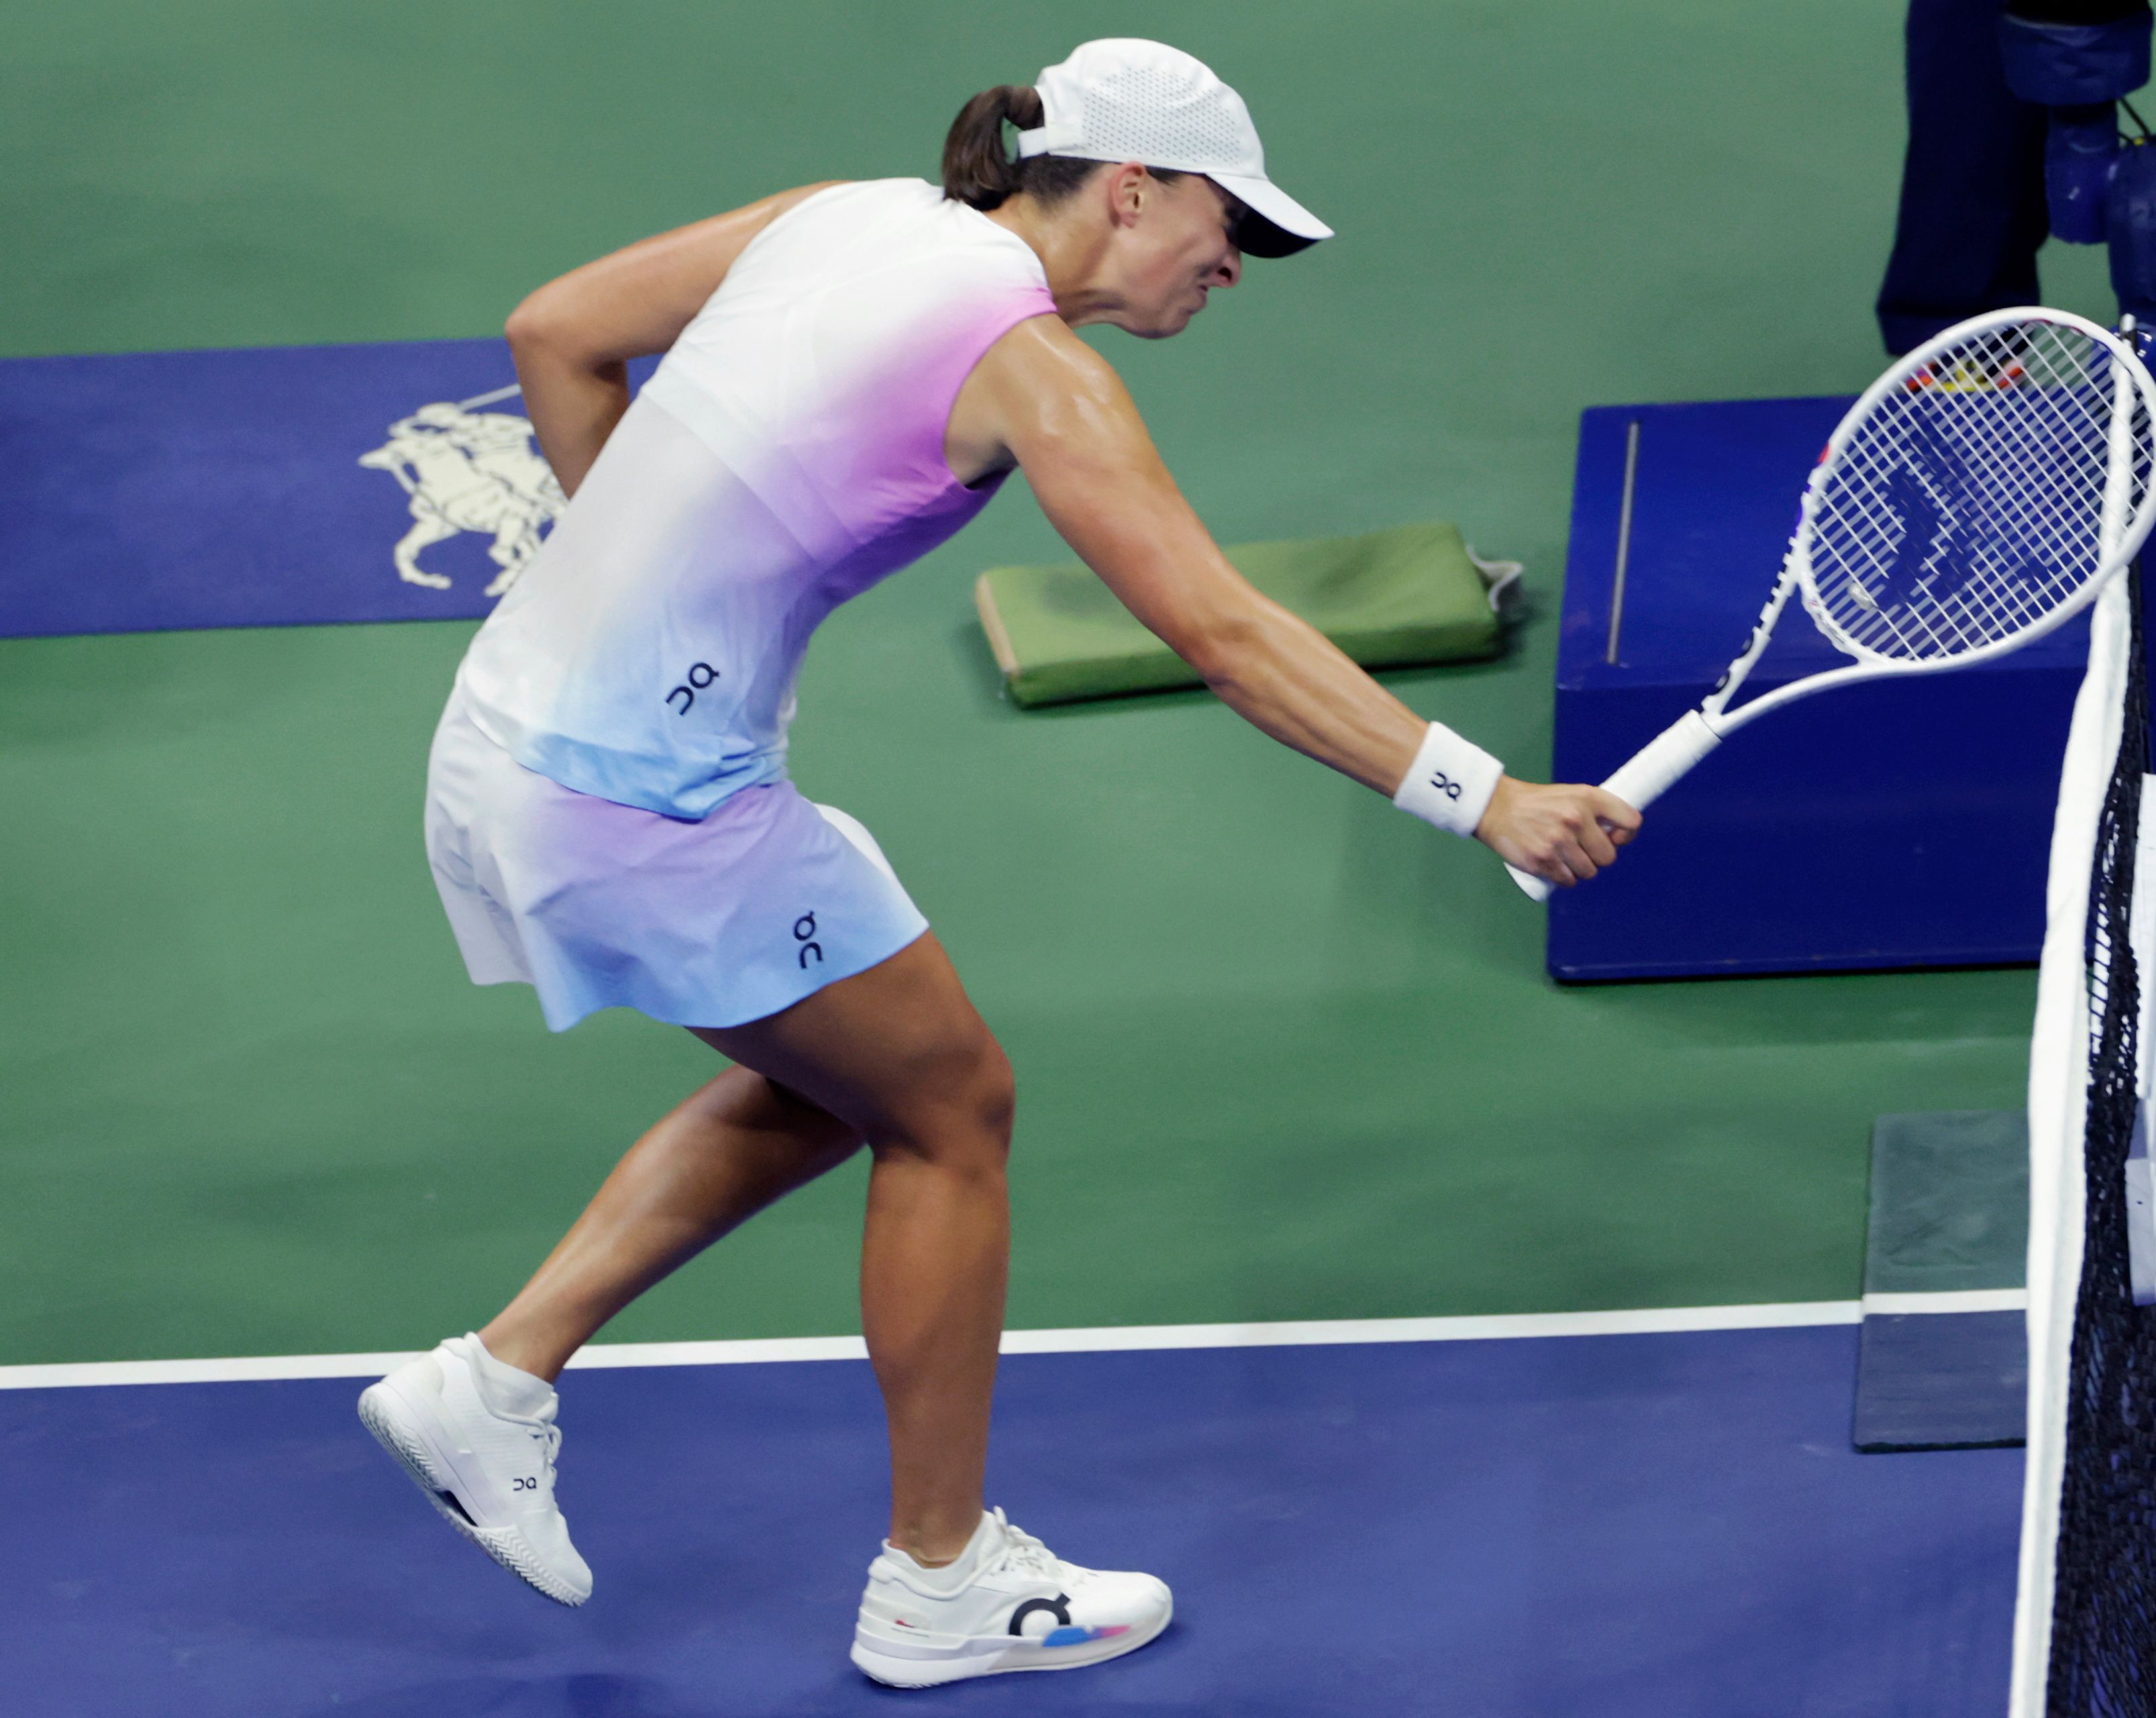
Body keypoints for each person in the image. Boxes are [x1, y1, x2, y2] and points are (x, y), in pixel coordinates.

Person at [356, 37, 1639, 1689]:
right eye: (1222, 218)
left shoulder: (843, 213)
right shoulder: (1034, 368)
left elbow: (557, 329)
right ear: (1128, 186)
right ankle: (939, 1582)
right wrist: (1488, 796)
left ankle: (500, 1376)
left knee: (857, 1078)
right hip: (634, 796)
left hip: (506, 735)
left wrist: (637, 585)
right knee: (955, 1108)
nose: (1233, 260)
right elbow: (1226, 634)